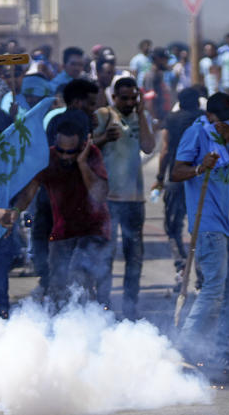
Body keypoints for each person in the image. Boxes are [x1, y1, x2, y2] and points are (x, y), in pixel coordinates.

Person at [171, 93, 229, 372]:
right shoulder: (197, 133)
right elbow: (176, 172)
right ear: (211, 117)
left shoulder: (227, 138)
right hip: (206, 226)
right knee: (213, 288)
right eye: (224, 120)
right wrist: (200, 167)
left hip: (224, 227)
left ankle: (221, 349)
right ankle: (183, 346)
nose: (228, 124)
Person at [10, 121, 110, 308]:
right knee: (56, 283)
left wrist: (81, 163)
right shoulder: (48, 157)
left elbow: (100, 194)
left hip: (92, 231)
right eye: (61, 151)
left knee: (78, 277)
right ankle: (59, 325)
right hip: (62, 232)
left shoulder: (92, 155)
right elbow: (29, 192)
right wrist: (15, 212)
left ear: (81, 146)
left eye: (70, 152)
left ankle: (88, 322)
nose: (64, 156)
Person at [92, 76, 155, 319]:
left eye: (133, 98)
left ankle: (130, 307)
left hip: (134, 198)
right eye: (124, 98)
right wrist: (104, 138)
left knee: (134, 256)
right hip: (109, 199)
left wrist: (141, 114)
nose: (129, 102)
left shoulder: (141, 117)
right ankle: (103, 304)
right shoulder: (103, 115)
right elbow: (88, 147)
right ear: (114, 97)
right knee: (106, 255)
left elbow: (149, 147)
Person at [152, 88, 204, 282]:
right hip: (199, 179)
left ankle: (181, 264)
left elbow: (165, 150)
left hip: (176, 177)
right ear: (198, 102)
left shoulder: (172, 119)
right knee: (199, 227)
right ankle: (201, 273)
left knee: (173, 227)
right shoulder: (204, 118)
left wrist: (159, 177)